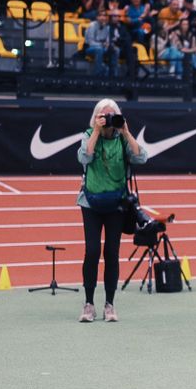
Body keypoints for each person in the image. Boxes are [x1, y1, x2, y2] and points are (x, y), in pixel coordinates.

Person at [76, 98, 146, 324]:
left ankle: (109, 304)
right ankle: (88, 304)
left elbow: (141, 157)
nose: (108, 121)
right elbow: (84, 156)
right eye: (103, 116)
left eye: (111, 116)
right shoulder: (88, 135)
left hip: (116, 203)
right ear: (96, 117)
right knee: (92, 251)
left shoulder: (121, 139)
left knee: (112, 253)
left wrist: (125, 131)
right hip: (91, 202)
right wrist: (96, 130)